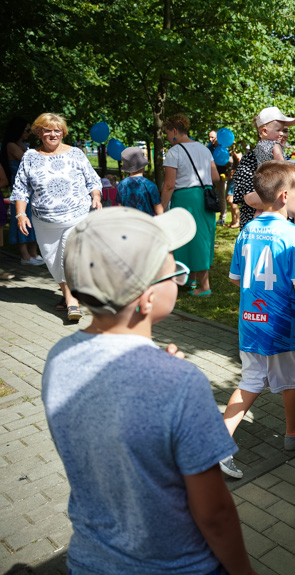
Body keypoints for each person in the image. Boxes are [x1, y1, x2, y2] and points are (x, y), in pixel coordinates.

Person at [44, 206, 256, 575]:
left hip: (91, 561)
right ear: (145, 297)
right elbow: (215, 512)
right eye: (174, 271)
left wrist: (158, 370)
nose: (178, 278)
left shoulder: (59, 357)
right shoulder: (179, 384)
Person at [219, 162, 295, 479]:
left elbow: (234, 277)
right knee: (292, 378)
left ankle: (220, 443)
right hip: (283, 325)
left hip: (251, 322)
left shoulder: (247, 230)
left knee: (250, 381)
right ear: (286, 195)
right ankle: (292, 435)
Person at [11, 113, 101, 321]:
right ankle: (69, 294)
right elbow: (21, 188)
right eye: (48, 130)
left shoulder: (76, 153)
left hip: (76, 215)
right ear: (39, 132)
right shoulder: (30, 156)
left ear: (63, 133)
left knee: (66, 257)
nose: (53, 134)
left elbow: (92, 180)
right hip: (44, 220)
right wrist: (20, 213)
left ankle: (72, 302)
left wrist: (96, 196)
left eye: (57, 130)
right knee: (53, 260)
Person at [160, 114, 218, 297]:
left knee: (187, 238)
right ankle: (191, 280)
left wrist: (161, 208)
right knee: (200, 238)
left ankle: (204, 286)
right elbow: (215, 177)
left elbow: (169, 184)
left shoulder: (174, 152)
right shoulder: (204, 148)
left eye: (168, 134)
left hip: (185, 198)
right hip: (204, 196)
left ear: (175, 131)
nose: (167, 138)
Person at [2, 117, 42, 265]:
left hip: (30, 185)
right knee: (22, 215)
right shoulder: (11, 145)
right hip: (20, 185)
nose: (29, 133)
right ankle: (25, 256)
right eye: (27, 130)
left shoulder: (22, 144)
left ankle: (34, 253)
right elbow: (28, 160)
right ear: (18, 130)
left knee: (33, 217)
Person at [116, 147, 163, 216]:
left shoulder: (121, 184)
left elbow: (120, 207)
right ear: (143, 165)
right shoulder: (150, 185)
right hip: (146, 223)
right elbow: (159, 210)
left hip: (127, 223)